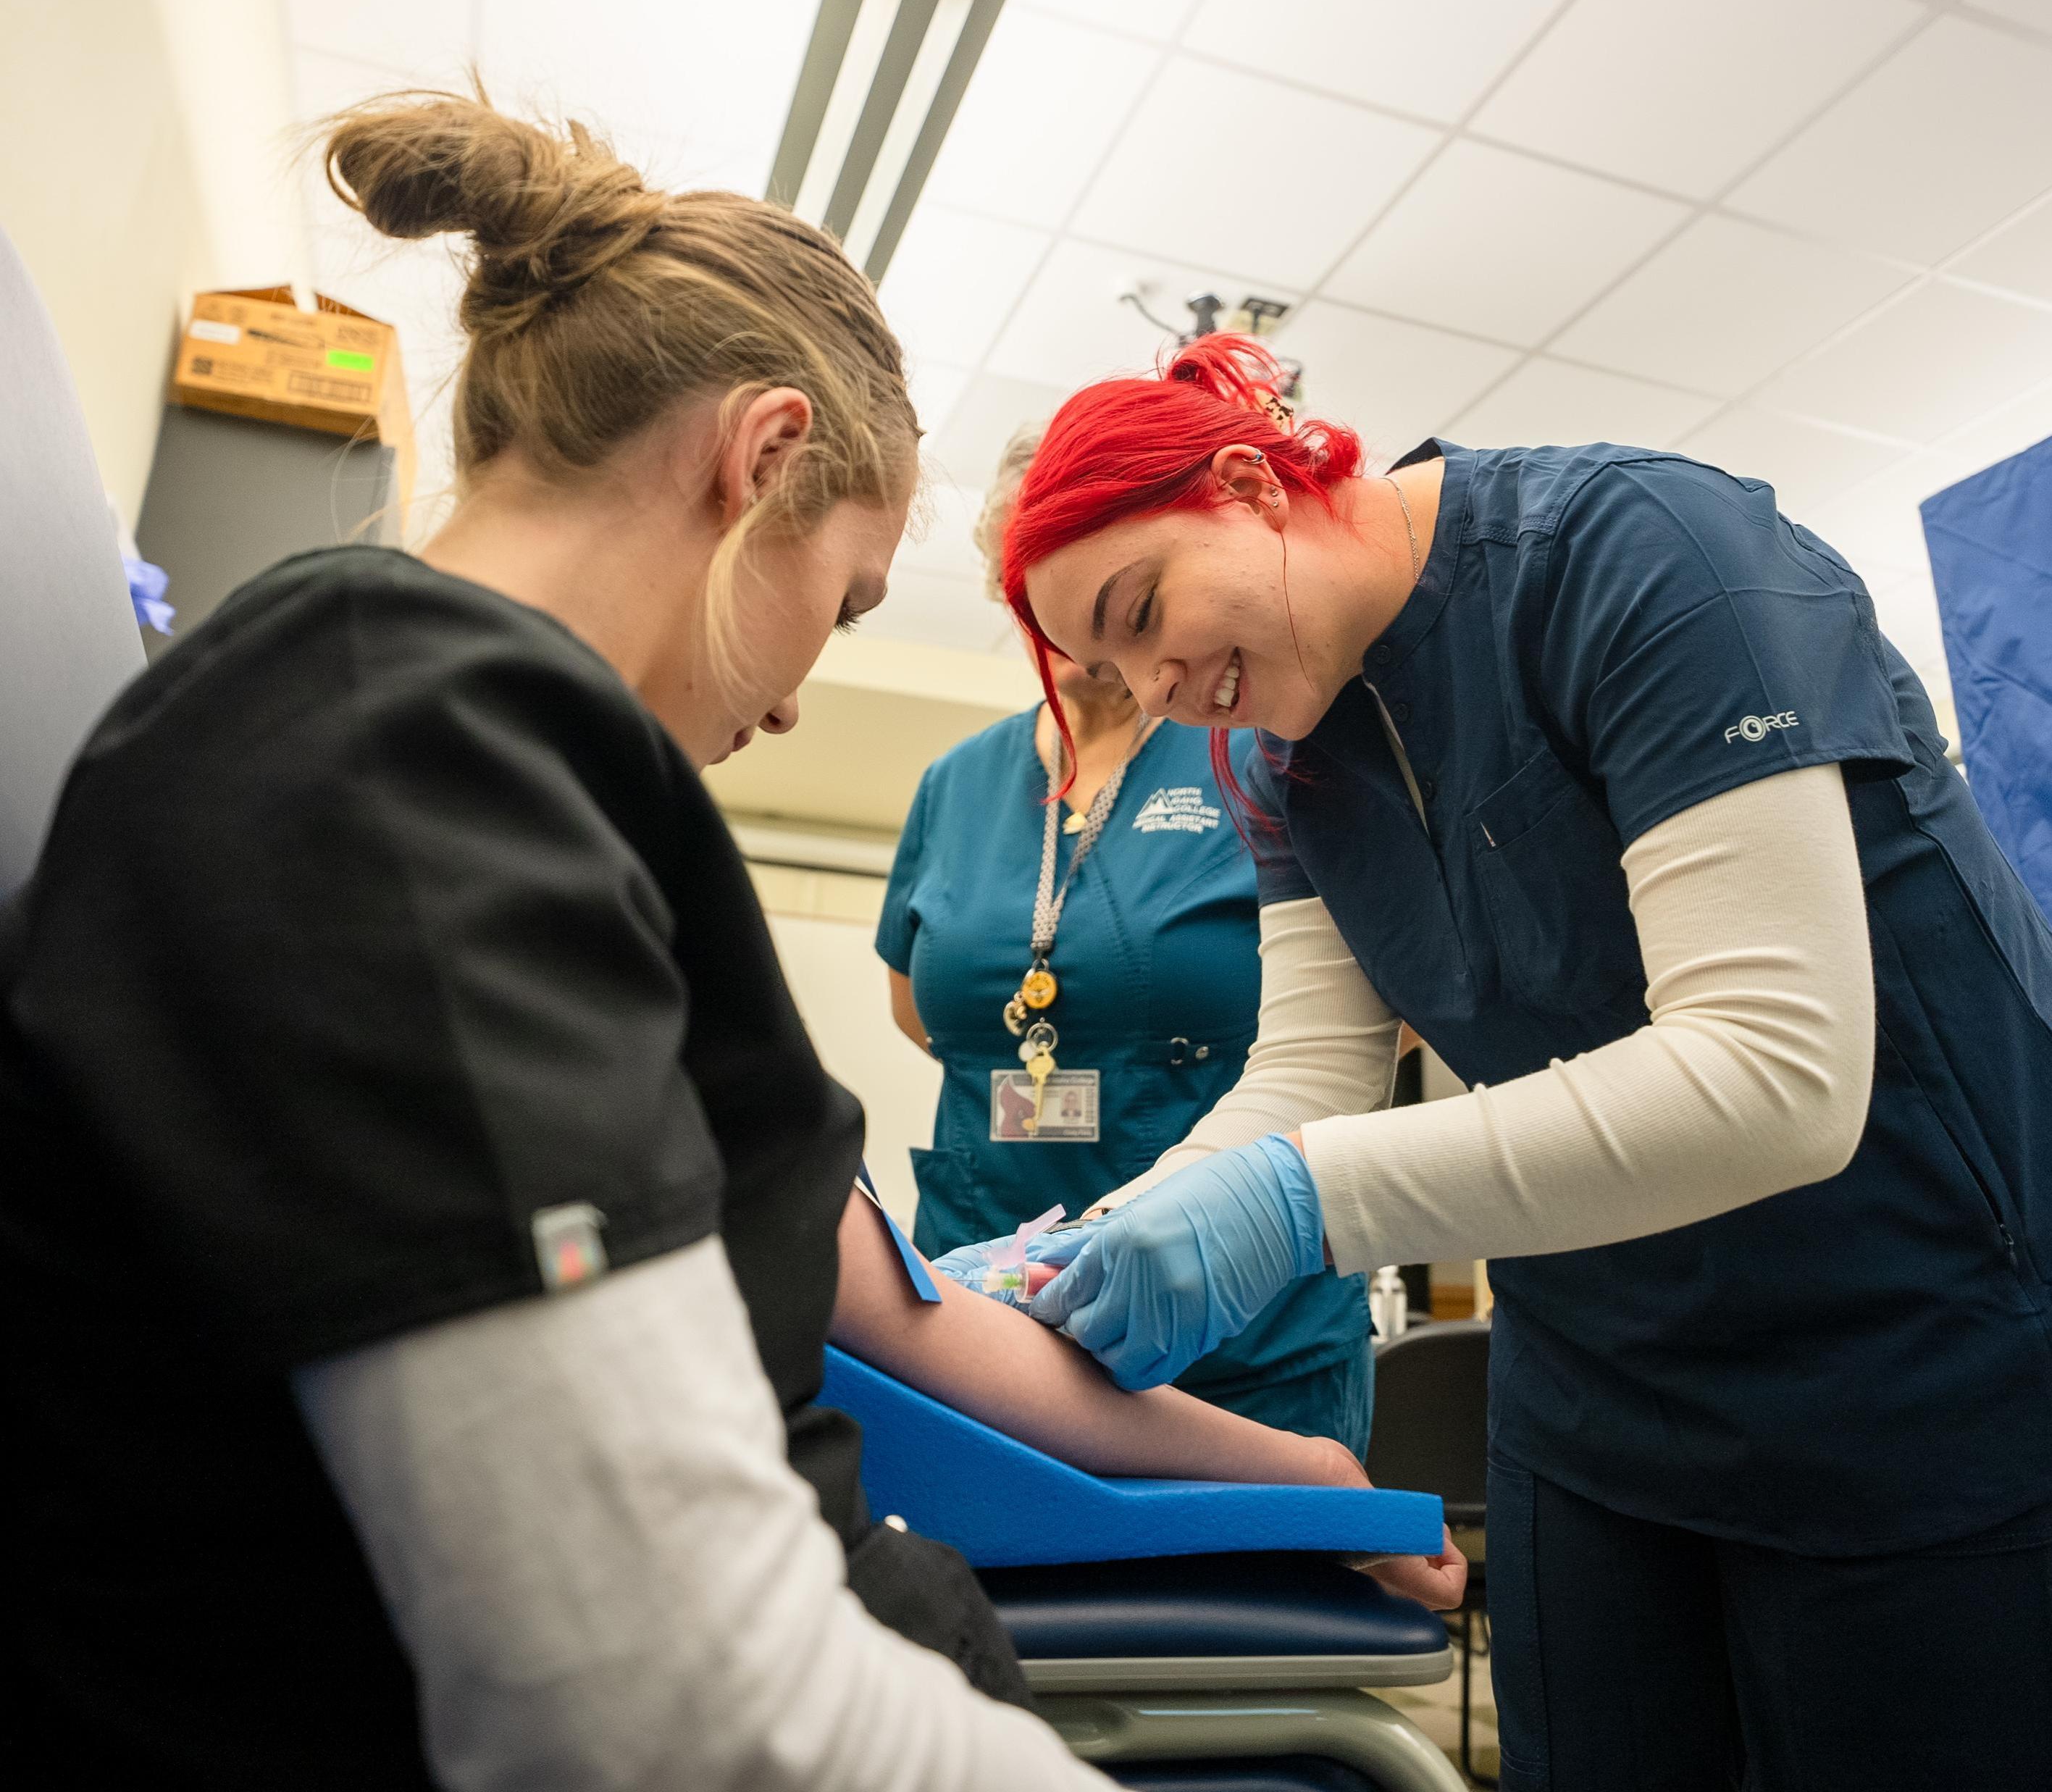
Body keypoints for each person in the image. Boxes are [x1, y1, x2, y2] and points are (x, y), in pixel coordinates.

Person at [0, 101, 1441, 1792]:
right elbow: (674, 1699)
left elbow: (888, 1308)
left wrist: (1292, 1475)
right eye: (838, 603)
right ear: (760, 459)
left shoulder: (493, 775)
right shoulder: (396, 770)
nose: (790, 700)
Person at [990, 332, 2052, 1792]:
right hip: (1599, 1383)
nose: (1162, 689)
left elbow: (1771, 1076)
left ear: (1246, 482)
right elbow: (1309, 1067)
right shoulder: (1280, 758)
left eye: (1140, 610)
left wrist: (1293, 1205)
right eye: (1108, 668)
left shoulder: (1643, 559)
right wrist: (1118, 1227)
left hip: (1897, 1346)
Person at [878, 424, 1373, 1452]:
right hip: (984, 1304)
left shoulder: (1257, 737)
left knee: (1235, 1601)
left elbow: (1375, 1025)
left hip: (1239, 1328)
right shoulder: (956, 783)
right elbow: (920, 1008)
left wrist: (1159, 1078)